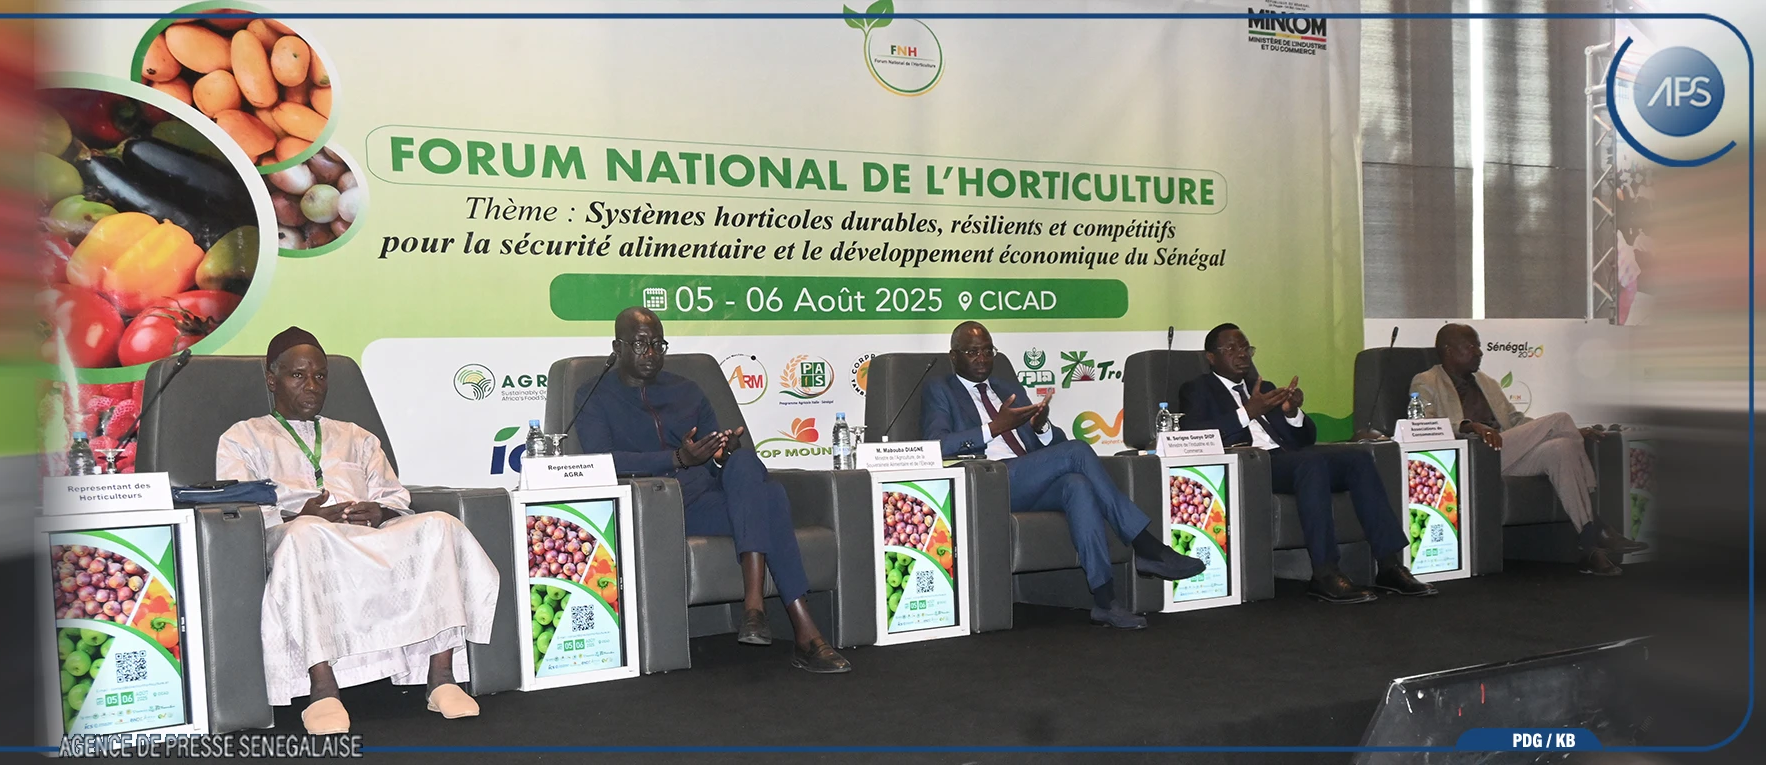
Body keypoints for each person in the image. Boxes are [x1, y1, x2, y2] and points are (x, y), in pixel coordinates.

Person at [216, 327, 499, 734]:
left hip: (365, 535)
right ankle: (323, 690)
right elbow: (239, 506)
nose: (312, 386)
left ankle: (441, 677)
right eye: (298, 375)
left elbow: (396, 497)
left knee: (440, 525)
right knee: (307, 534)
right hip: (295, 535)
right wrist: (300, 515)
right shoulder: (243, 438)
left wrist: (379, 511)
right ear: (272, 379)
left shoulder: (356, 436)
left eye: (320, 375)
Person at [573, 307, 851, 673]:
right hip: (660, 509)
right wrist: (676, 458)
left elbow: (715, 458)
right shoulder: (594, 395)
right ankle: (802, 632)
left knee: (746, 463)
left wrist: (722, 454)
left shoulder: (686, 390)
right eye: (640, 344)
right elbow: (601, 460)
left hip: (708, 500)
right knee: (771, 499)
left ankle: (755, 609)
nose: (651, 353)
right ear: (617, 347)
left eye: (658, 344)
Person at [919, 321, 1205, 630]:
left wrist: (1041, 427)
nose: (982, 358)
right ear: (954, 356)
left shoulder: (1007, 388)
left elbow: (1054, 443)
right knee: (1077, 451)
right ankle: (1147, 546)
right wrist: (992, 429)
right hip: (989, 482)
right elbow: (937, 444)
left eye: (988, 351)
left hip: (1028, 478)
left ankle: (1105, 601)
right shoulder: (940, 389)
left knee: (1077, 485)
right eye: (972, 352)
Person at [1177, 323, 1435, 604]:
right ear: (1211, 357)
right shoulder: (1197, 389)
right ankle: (1325, 572)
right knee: (1310, 464)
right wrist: (1247, 412)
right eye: (1231, 348)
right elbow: (1194, 433)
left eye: (1246, 348)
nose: (1242, 354)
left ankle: (1389, 565)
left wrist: (1292, 413)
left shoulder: (1265, 389)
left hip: (1290, 460)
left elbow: (1306, 439)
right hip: (1252, 466)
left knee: (1359, 458)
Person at [1409, 323, 1646, 575]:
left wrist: (1570, 432)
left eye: (1478, 346)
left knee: (1562, 447)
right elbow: (1423, 425)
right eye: (1471, 346)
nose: (1479, 352)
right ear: (1448, 350)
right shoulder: (1426, 381)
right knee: (1561, 419)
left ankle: (1589, 544)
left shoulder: (1486, 383)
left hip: (1505, 451)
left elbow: (1516, 421)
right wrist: (1469, 426)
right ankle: (1598, 525)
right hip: (1474, 457)